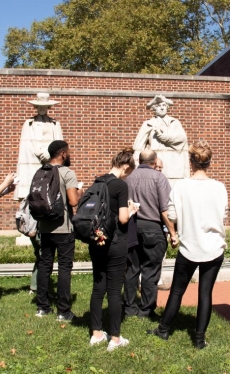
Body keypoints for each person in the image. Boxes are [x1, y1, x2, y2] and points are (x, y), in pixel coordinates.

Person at [147, 141, 227, 348]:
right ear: (209, 162)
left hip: (189, 246)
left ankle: (163, 329)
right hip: (214, 246)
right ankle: (199, 339)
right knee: (205, 293)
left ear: (191, 161)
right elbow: (223, 215)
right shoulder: (219, 187)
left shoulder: (181, 186)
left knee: (177, 291)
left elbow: (171, 215)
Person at [89, 148, 138, 351]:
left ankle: (96, 334)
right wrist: (133, 210)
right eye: (129, 171)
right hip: (115, 242)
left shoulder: (97, 182)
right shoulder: (121, 185)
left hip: (96, 240)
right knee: (114, 291)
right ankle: (115, 339)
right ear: (125, 167)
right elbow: (123, 219)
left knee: (98, 287)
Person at [15, 92, 63, 295]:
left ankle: (39, 285)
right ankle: (39, 286)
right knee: (42, 250)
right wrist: (39, 152)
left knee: (45, 251)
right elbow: (26, 146)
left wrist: (49, 154)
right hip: (33, 167)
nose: (42, 110)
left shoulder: (54, 124)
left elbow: (60, 145)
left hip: (48, 168)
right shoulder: (29, 124)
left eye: (45, 107)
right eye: (39, 107)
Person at [123, 149, 177, 318]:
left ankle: (129, 308)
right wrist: (173, 232)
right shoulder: (159, 178)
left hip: (131, 227)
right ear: (154, 162)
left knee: (132, 269)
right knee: (150, 270)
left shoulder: (128, 178)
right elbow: (164, 209)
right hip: (153, 228)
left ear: (139, 161)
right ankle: (146, 310)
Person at [35, 141, 83, 321]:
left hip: (45, 227)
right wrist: (80, 192)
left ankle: (42, 307)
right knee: (64, 267)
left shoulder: (41, 172)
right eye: (68, 152)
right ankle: (63, 311)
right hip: (63, 228)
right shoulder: (67, 173)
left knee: (44, 265)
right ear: (63, 154)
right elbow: (72, 202)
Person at [133, 95, 189, 185]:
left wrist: (164, 137)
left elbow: (182, 139)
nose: (162, 108)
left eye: (164, 105)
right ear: (154, 109)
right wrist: (137, 167)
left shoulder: (175, 122)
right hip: (156, 166)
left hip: (175, 167)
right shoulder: (148, 124)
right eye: (159, 106)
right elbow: (138, 147)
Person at [154, 157, 171, 291]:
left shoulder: (164, 181)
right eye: (156, 167)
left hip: (162, 224)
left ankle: (158, 280)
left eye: (160, 167)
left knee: (161, 255)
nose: (159, 169)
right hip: (152, 223)